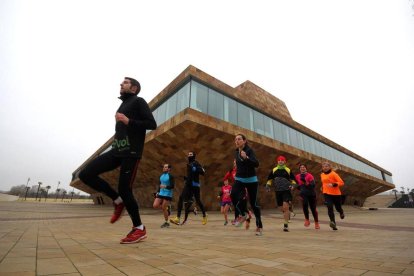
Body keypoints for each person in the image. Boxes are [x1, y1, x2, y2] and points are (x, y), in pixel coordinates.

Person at [79, 77, 157, 244]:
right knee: (86, 174)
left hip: (131, 152)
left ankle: (139, 228)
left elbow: (152, 124)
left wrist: (128, 121)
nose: (121, 84)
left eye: (125, 82)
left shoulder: (139, 101)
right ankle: (117, 200)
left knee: (125, 188)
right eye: (122, 83)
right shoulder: (123, 105)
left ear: (134, 88)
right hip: (117, 150)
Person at [230, 134, 263, 236]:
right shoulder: (236, 152)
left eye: (239, 139)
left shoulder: (249, 150)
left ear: (244, 141)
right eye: (235, 139)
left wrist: (247, 158)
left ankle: (259, 226)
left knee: (254, 204)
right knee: (233, 195)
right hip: (239, 179)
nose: (237, 141)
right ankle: (244, 215)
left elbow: (256, 164)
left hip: (251, 180)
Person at [170, 151, 208, 225]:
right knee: (181, 198)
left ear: (194, 156)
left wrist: (196, 169)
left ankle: (204, 216)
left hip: (195, 185)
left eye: (191, 154)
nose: (189, 156)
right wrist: (186, 178)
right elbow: (191, 175)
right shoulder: (188, 164)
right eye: (188, 154)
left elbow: (203, 171)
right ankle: (177, 218)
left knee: (198, 201)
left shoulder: (196, 163)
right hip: (188, 185)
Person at [266, 155, 296, 232]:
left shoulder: (288, 170)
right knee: (281, 208)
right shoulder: (274, 170)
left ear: (285, 161)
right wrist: (268, 186)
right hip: (278, 191)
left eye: (282, 160)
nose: (280, 161)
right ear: (277, 161)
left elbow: (294, 181)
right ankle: (289, 210)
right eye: (279, 160)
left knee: (285, 207)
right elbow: (269, 179)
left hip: (286, 191)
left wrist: (293, 185)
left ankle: (285, 225)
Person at [321, 161, 345, 230]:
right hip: (326, 193)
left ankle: (341, 212)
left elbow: (341, 182)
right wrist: (323, 187)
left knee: (338, 208)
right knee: (329, 207)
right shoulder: (322, 174)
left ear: (329, 167)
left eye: (326, 166)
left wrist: (333, 184)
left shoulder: (334, 174)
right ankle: (333, 223)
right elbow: (324, 183)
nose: (325, 168)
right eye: (323, 167)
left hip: (336, 194)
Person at [295, 164, 319, 229]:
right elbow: (296, 184)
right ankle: (307, 220)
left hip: (311, 194)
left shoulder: (309, 175)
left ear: (306, 168)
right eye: (301, 167)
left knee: (313, 208)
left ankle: (316, 223)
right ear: (299, 169)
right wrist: (298, 187)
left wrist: (306, 183)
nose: (302, 168)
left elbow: (313, 185)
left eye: (304, 167)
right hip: (303, 194)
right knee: (305, 205)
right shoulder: (297, 176)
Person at [153, 164, 175, 228]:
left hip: (168, 194)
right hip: (161, 193)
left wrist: (165, 186)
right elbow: (160, 184)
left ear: (169, 169)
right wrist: (158, 191)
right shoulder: (162, 176)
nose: (163, 168)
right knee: (155, 205)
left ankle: (167, 222)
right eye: (163, 167)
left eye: (165, 167)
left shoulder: (170, 176)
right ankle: (167, 208)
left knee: (163, 208)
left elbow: (172, 186)